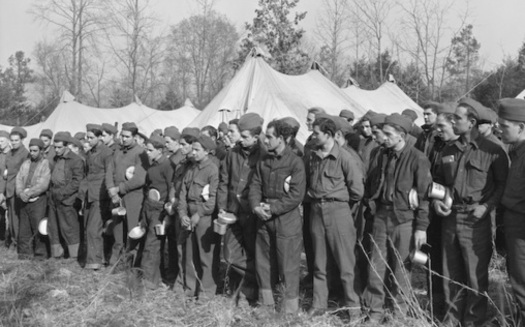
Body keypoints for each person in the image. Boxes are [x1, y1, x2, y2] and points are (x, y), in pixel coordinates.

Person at [434, 98, 508, 326]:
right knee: (450, 273)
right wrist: (438, 201)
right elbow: (438, 180)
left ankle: (472, 321)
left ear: (472, 121)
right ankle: (451, 319)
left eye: (457, 118)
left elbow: (502, 185)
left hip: (476, 220)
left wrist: (486, 207)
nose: (452, 121)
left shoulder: (493, 151)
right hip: (450, 218)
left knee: (476, 276)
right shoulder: (448, 149)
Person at [363, 113, 432, 322]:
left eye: (388, 134)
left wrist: (421, 227)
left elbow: (424, 197)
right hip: (381, 216)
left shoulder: (418, 158)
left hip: (404, 219)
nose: (384, 137)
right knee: (376, 265)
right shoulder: (381, 154)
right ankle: (374, 312)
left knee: (402, 269)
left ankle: (399, 314)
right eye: (383, 133)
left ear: (401, 135)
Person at [305, 117, 364, 317]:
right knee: (319, 263)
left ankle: (353, 308)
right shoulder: (312, 156)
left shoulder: (345, 157)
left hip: (338, 210)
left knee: (346, 264)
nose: (313, 137)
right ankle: (319, 305)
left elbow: (357, 191)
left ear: (328, 135)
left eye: (316, 133)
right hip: (316, 211)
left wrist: (342, 206)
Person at [249, 119, 306, 315]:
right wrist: (255, 206)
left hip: (286, 220)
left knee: (288, 265)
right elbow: (255, 185)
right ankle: (266, 305)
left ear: (281, 139)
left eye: (270, 137)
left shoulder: (295, 162)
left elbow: (296, 196)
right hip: (264, 218)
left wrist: (271, 208)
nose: (265, 141)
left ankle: (289, 310)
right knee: (263, 263)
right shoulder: (264, 161)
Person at [218, 112, 264, 304]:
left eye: (245, 137)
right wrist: (222, 207)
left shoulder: (264, 155)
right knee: (230, 254)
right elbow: (223, 182)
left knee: (253, 252)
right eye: (241, 136)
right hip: (233, 212)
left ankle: (248, 291)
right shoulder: (232, 154)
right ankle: (246, 282)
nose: (241, 140)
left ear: (256, 136)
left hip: (252, 214)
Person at [178, 135, 220, 300]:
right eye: (193, 149)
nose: (193, 152)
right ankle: (190, 288)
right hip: (188, 212)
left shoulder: (212, 170)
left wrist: (199, 214)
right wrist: (182, 214)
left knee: (205, 256)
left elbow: (212, 199)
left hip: (203, 216)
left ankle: (206, 292)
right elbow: (183, 193)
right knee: (190, 254)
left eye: (197, 150)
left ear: (207, 151)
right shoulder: (190, 169)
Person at [105, 122, 149, 266]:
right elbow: (109, 172)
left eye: (127, 137)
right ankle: (115, 262)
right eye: (121, 136)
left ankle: (130, 264)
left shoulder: (140, 153)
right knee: (117, 229)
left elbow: (140, 178)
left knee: (132, 231)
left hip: (133, 197)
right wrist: (112, 190)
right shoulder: (117, 151)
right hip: (116, 197)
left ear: (135, 137)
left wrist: (120, 188)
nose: (123, 139)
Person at [498, 98, 525, 324]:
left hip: (522, 229)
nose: (499, 129)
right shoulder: (516, 152)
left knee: (522, 284)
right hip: (514, 226)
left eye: (504, 125)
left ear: (521, 127)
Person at [140, 135, 174, 289]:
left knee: (152, 245)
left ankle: (149, 281)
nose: (147, 153)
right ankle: (155, 277)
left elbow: (171, 187)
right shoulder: (152, 165)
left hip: (159, 210)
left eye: (150, 150)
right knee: (150, 243)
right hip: (149, 206)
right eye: (146, 149)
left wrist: (167, 211)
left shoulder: (167, 166)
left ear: (160, 150)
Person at [48, 131, 85, 259]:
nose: (57, 150)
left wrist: (62, 193)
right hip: (54, 196)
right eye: (55, 147)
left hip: (68, 198)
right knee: (54, 226)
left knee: (69, 227)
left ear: (67, 146)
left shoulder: (76, 160)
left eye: (60, 147)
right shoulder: (55, 158)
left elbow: (77, 181)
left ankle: (74, 256)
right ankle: (57, 254)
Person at [83, 124, 113, 270]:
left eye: (91, 137)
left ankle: (95, 261)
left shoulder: (107, 153)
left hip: (101, 196)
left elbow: (109, 174)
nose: (88, 140)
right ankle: (95, 259)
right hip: (90, 194)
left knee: (94, 229)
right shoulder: (89, 153)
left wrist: (107, 195)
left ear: (100, 137)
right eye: (87, 137)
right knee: (89, 228)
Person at [15, 138, 51, 260]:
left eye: (35, 150)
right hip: (24, 199)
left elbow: (43, 184)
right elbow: (19, 179)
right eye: (31, 150)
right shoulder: (26, 164)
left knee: (38, 227)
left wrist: (30, 193)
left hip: (39, 199)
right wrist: (20, 193)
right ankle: (25, 253)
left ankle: (40, 254)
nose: (32, 153)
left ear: (42, 151)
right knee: (24, 227)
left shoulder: (46, 164)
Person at [4, 127, 29, 249]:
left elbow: (24, 174)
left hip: (17, 189)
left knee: (17, 217)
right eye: (12, 140)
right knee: (11, 217)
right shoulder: (9, 153)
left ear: (22, 140)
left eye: (16, 140)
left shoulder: (25, 154)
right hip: (9, 189)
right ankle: (14, 240)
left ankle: (18, 243)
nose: (13, 142)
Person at [0, 130, 10, 242]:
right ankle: (1, 237)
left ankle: (9, 238)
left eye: (2, 141)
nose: (0, 143)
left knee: (10, 215)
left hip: (8, 188)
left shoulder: (11, 154)